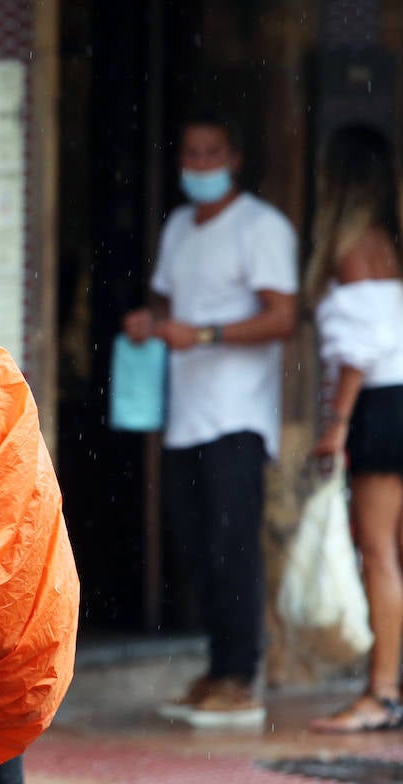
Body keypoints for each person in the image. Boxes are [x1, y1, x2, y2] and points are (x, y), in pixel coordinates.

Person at [123, 113, 299, 727]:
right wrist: (151, 322)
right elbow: (170, 300)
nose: (200, 164)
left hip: (238, 415)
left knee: (233, 546)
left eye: (211, 153)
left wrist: (206, 333)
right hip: (186, 414)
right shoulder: (179, 226)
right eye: (191, 154)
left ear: (235, 158)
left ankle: (242, 675)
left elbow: (282, 317)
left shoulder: (262, 227)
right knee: (196, 546)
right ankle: (218, 669)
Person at [303, 124, 403, 733]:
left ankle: (382, 691)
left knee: (378, 554)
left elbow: (360, 349)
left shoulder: (353, 245)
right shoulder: (391, 240)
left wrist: (335, 423)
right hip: (398, 398)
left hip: (380, 408)